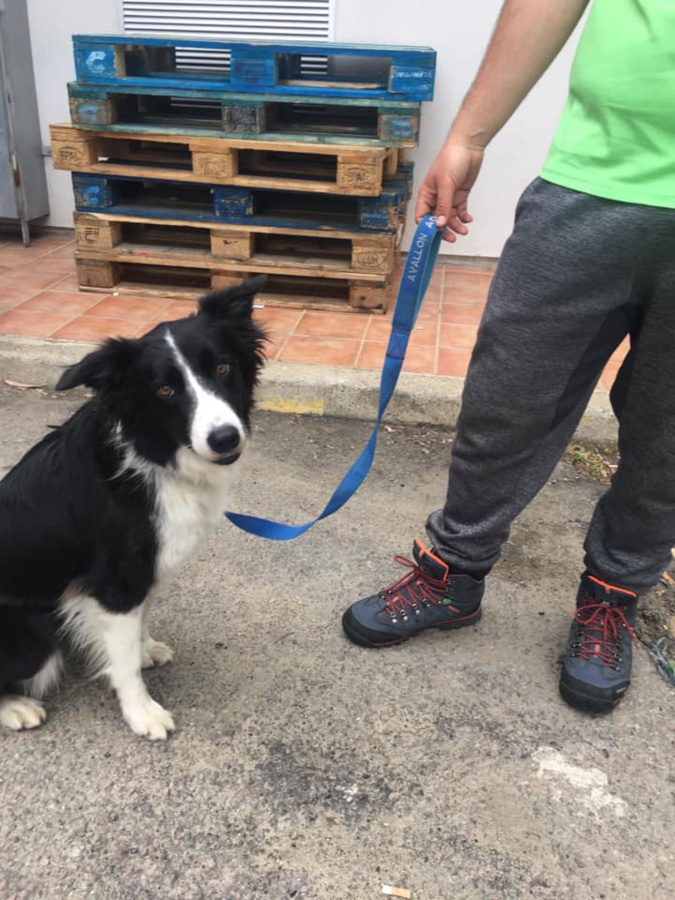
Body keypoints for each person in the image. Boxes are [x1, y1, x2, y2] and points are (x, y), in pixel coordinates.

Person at [341, 0, 675, 714]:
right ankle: (452, 575)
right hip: (592, 182)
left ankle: (611, 598)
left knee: (668, 441)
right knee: (505, 396)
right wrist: (466, 134)